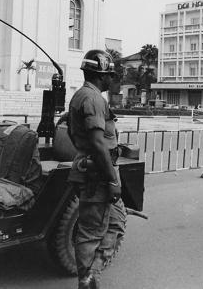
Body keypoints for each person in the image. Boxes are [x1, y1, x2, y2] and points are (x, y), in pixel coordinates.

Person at [67, 49, 126, 289]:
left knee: (116, 222)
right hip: (98, 174)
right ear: (102, 75)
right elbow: (98, 143)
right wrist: (112, 180)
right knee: (91, 232)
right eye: (110, 75)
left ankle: (91, 275)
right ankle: (87, 281)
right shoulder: (93, 99)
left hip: (95, 170)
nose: (112, 79)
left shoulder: (82, 96)